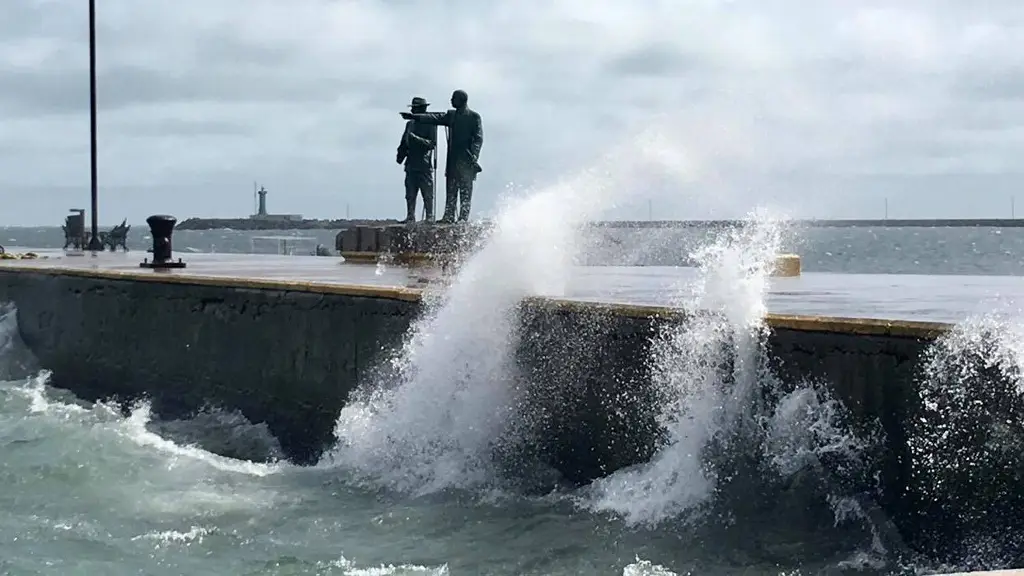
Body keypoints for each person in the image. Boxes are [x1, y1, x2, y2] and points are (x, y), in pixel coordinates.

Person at [400, 89, 482, 223]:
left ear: (461, 100)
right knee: (451, 189)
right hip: (453, 160)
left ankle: (462, 218)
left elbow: (478, 138)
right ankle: (449, 216)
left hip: (467, 160)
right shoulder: (451, 115)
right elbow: (435, 118)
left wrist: (474, 155)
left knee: (465, 192)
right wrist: (414, 117)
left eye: (453, 98)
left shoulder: (474, 117)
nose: (450, 101)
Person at [396, 96, 438, 223]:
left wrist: (415, 138)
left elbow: (432, 143)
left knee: (427, 192)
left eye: (415, 109)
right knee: (410, 193)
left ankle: (429, 216)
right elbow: (404, 141)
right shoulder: (410, 124)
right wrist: (400, 155)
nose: (413, 111)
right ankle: (410, 216)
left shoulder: (430, 124)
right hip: (411, 163)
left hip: (423, 163)